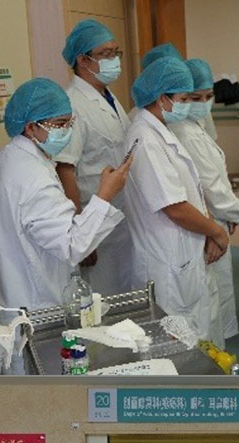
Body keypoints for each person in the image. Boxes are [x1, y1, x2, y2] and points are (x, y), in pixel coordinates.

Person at [0, 78, 128, 312]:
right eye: (60, 124)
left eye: (70, 123)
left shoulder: (7, 158)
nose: (67, 131)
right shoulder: (33, 177)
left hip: (13, 295)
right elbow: (72, 246)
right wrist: (105, 194)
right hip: (36, 305)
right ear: (31, 127)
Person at [122, 57, 229, 346]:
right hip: (166, 259)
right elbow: (175, 207)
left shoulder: (161, 130)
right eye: (183, 99)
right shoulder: (146, 140)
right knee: (174, 340)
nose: (186, 105)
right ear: (162, 98)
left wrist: (208, 228)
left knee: (194, 330)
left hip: (181, 252)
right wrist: (217, 231)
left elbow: (189, 192)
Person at [169, 58, 239, 340]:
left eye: (208, 96)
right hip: (203, 222)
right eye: (195, 98)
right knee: (209, 296)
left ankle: (217, 347)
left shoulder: (195, 125)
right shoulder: (184, 131)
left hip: (214, 217)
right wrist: (238, 212)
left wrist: (229, 213)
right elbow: (210, 186)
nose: (203, 104)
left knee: (216, 290)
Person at [56, 20, 134, 295]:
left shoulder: (108, 95)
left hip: (118, 213)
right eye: (105, 54)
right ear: (82, 60)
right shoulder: (72, 103)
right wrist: (82, 230)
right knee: (102, 296)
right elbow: (65, 168)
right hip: (93, 216)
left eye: (115, 52)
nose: (113, 60)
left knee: (123, 290)